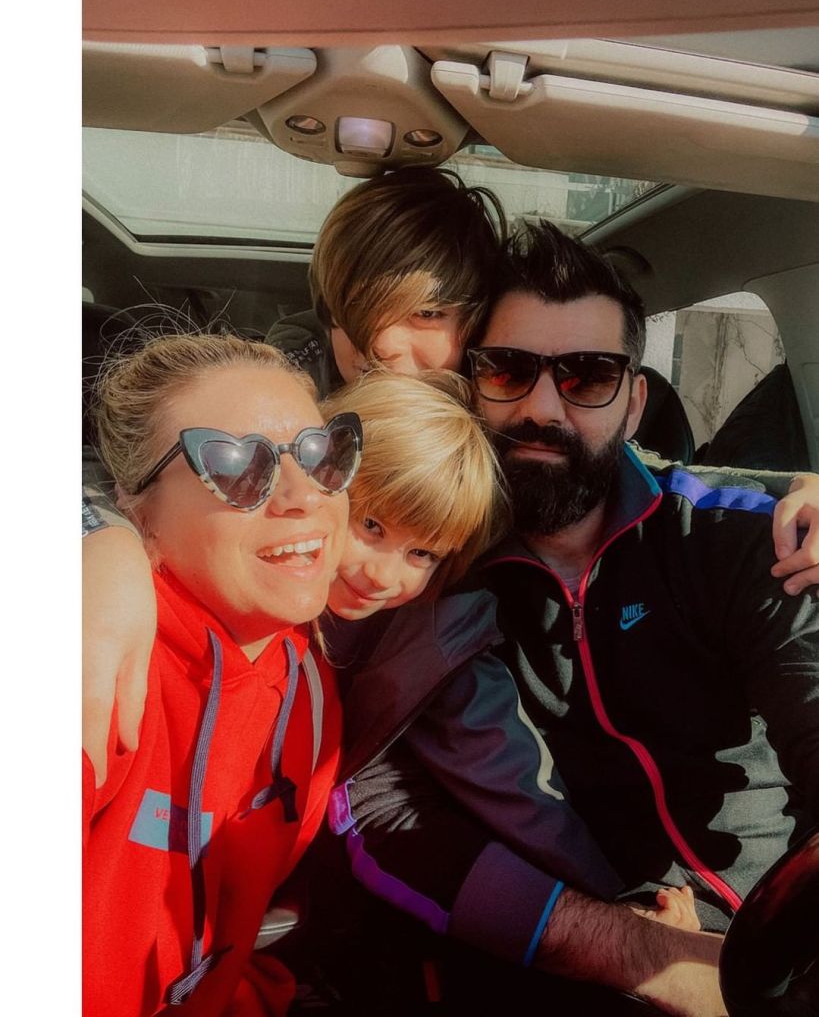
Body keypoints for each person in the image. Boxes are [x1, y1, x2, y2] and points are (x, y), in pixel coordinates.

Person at [334, 221, 819, 1013]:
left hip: (775, 930)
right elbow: (375, 803)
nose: (541, 408)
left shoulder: (736, 537)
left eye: (587, 376)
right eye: (508, 370)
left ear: (633, 404)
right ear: (468, 384)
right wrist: (637, 952)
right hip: (558, 951)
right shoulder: (418, 573)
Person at [83, 333, 359, 1016]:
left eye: (321, 455)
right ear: (138, 509)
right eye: (235, 466)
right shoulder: (96, 654)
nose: (302, 495)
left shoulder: (310, 688)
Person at [264, 166, 505, 394]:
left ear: (476, 329)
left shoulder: (509, 410)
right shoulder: (290, 382)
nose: (382, 345)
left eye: (425, 314)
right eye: (356, 304)